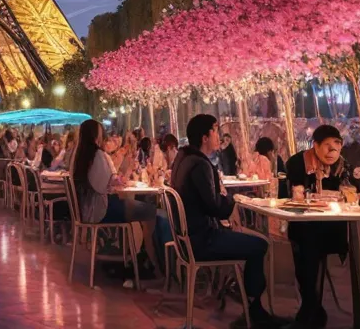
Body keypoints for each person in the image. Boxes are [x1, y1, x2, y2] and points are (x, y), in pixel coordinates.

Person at [171, 114, 282, 327]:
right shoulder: (200, 165)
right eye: (216, 131)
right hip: (203, 241)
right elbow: (216, 209)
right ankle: (254, 309)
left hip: (187, 239)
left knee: (246, 238)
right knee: (260, 244)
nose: (219, 137)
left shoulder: (183, 159)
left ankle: (242, 296)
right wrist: (234, 200)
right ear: (205, 137)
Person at [72, 119, 166, 276]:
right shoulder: (98, 155)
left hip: (88, 209)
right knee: (150, 213)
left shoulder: (80, 156)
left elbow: (103, 182)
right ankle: (154, 264)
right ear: (96, 136)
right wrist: (124, 174)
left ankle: (135, 256)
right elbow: (109, 183)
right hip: (100, 210)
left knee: (137, 208)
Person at [285, 124, 350, 327]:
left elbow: (350, 192)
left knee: (309, 251)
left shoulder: (342, 166)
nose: (332, 152)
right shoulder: (297, 163)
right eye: (327, 146)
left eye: (337, 146)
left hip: (332, 226)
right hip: (303, 224)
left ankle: (310, 308)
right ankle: (312, 306)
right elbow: (293, 194)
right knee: (306, 248)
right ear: (315, 146)